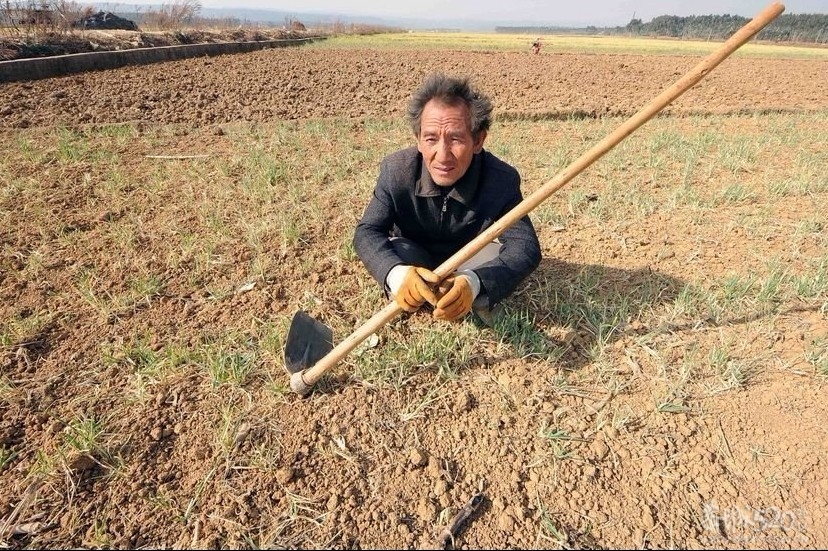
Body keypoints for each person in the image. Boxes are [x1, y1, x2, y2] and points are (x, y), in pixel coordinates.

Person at [353, 73, 541, 325]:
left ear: (478, 140)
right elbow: (367, 232)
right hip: (412, 256)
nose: (442, 155)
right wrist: (396, 274)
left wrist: (474, 283)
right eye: (431, 138)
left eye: (456, 139)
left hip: (469, 262)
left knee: (493, 256)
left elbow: (524, 246)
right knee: (398, 250)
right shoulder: (396, 171)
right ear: (418, 140)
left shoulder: (501, 180)